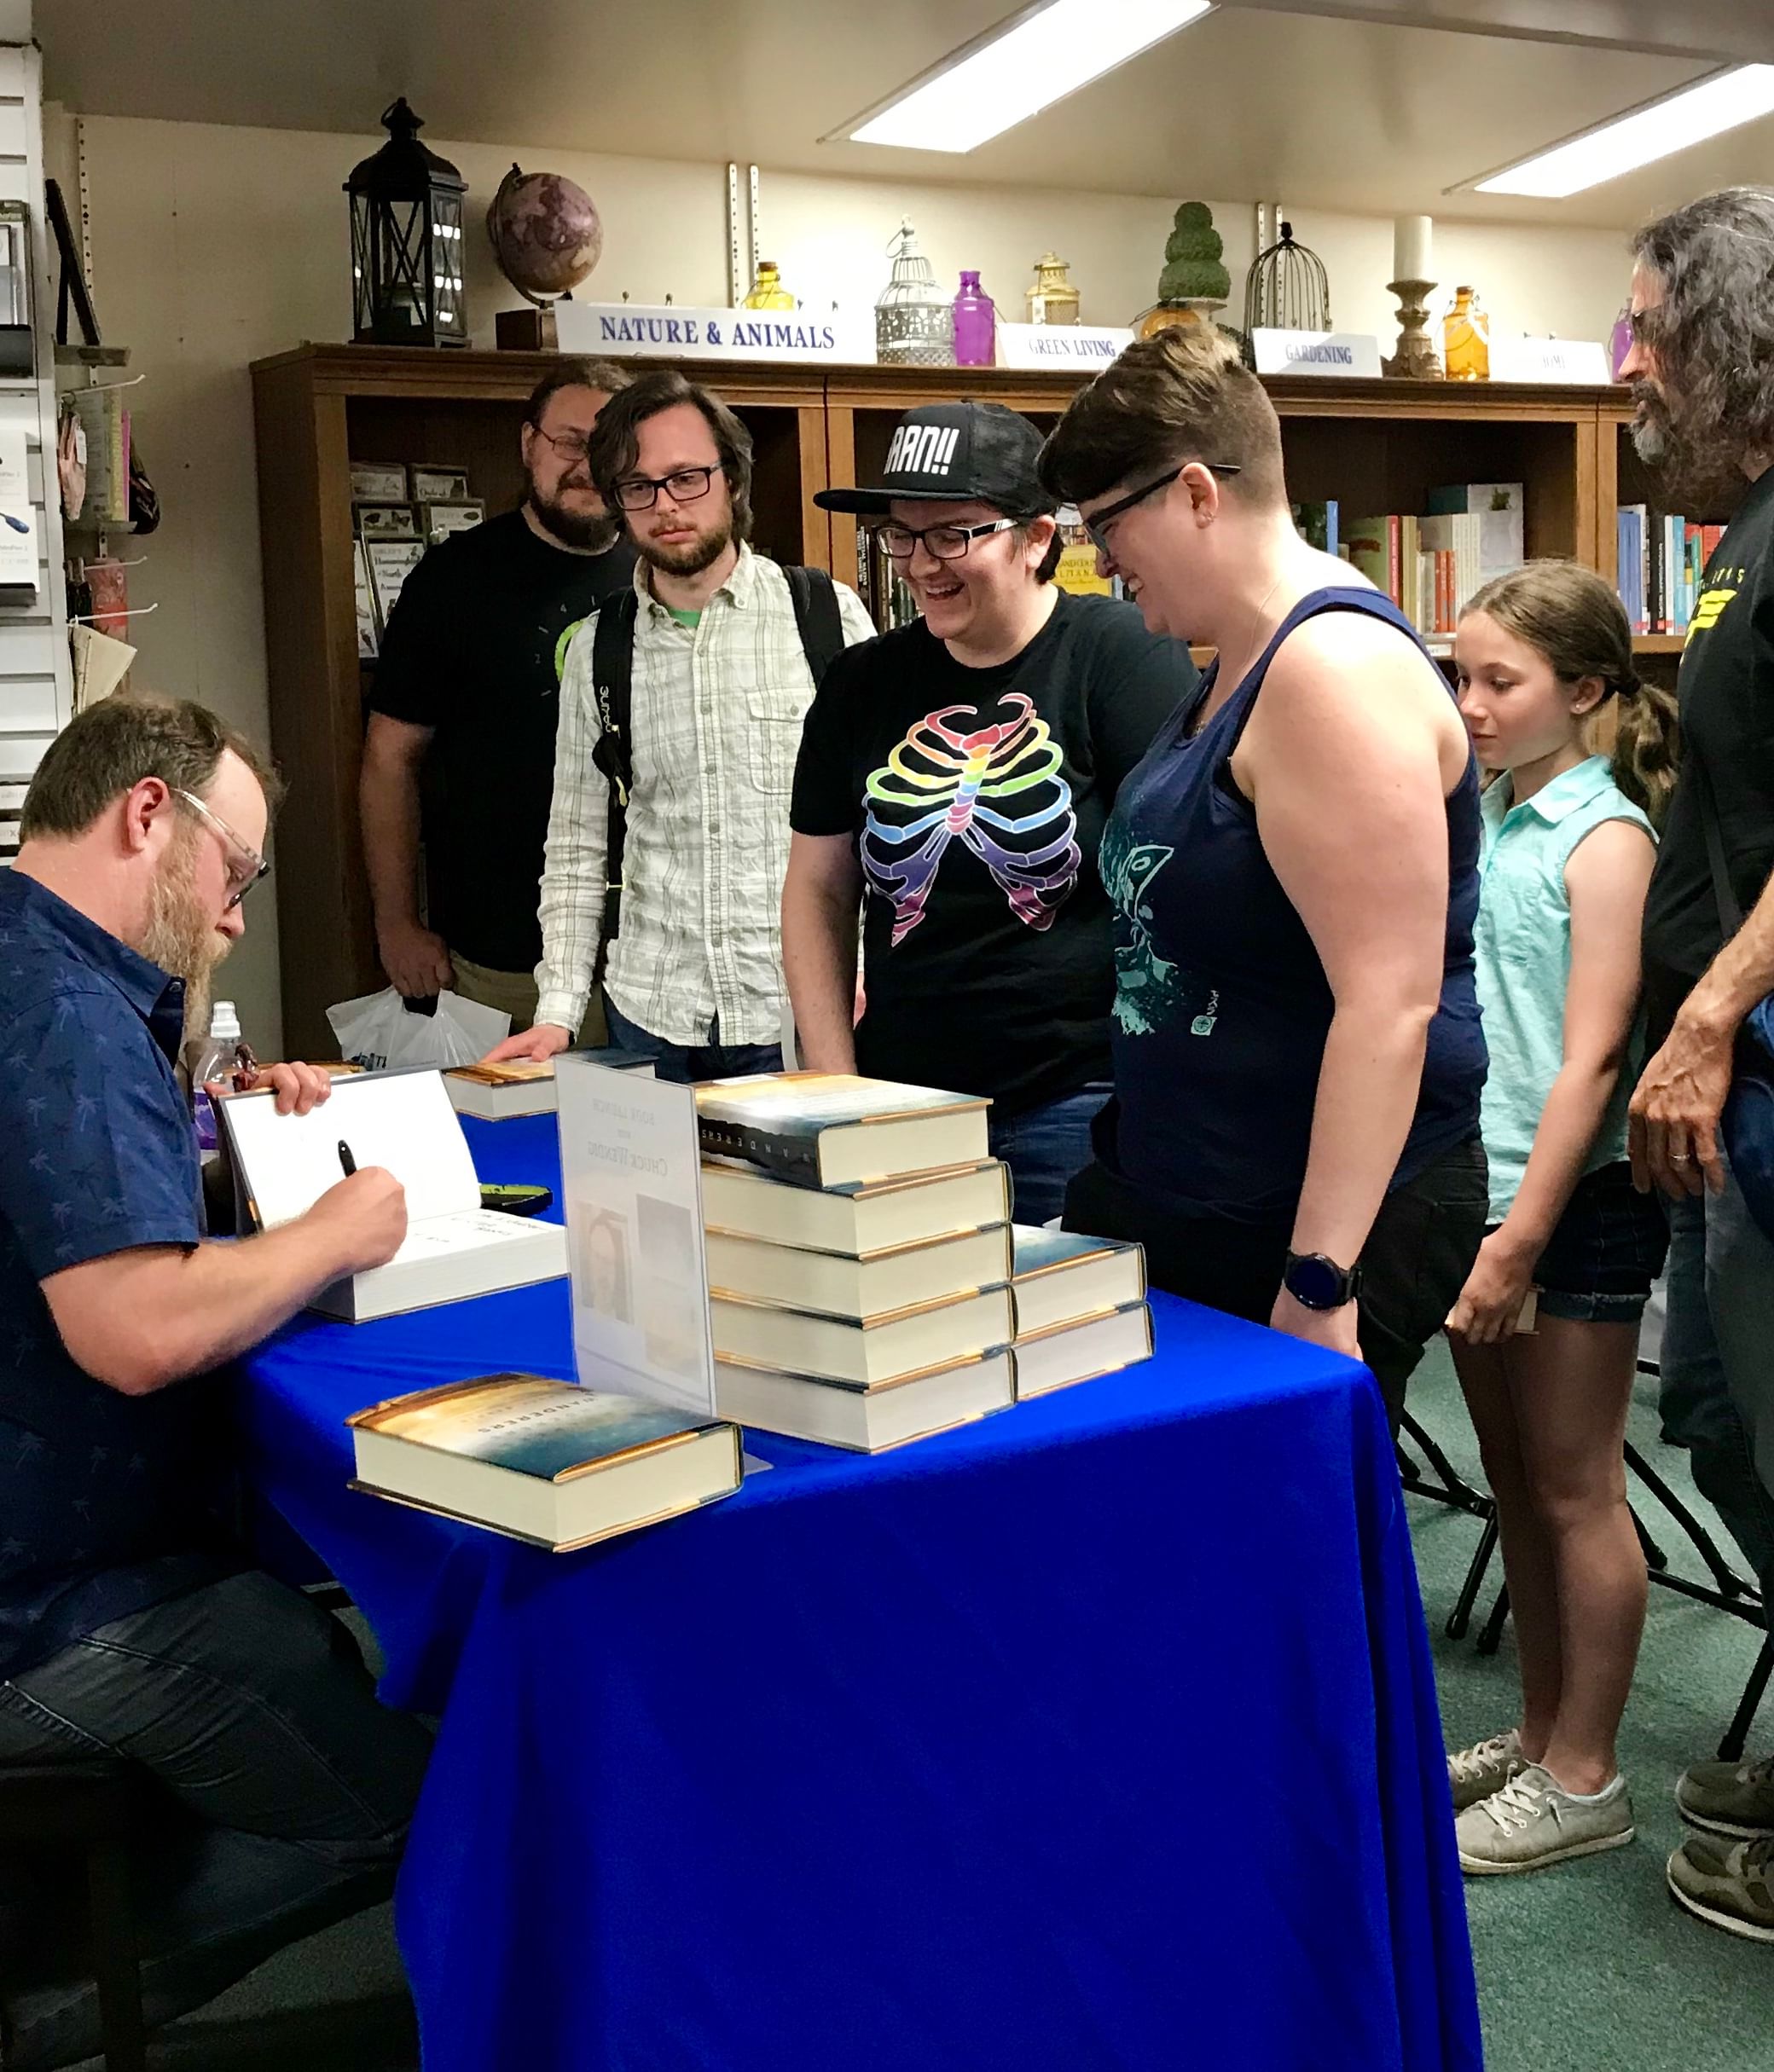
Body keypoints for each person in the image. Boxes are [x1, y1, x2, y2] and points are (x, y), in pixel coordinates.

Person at [0, 697, 429, 2065]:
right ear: (146, 816)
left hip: (58, 1543)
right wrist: (329, 1233)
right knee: (437, 1802)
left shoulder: (31, 962)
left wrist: (233, 1137)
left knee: (304, 1644)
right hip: (49, 1607)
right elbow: (128, 1327)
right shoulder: (61, 1007)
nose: (236, 917)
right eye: (234, 874)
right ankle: (56, 1997)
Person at [1037, 326, 1487, 1425]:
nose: (1098, 561)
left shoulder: (1329, 669)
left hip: (1315, 1223)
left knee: (1269, 1552)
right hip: (1210, 1194)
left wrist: (1320, 1280)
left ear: (1195, 492)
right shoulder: (1232, 663)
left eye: (1105, 526)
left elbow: (1389, 1002)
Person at [782, 402, 1195, 1223]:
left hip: (1078, 1098)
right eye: (900, 534)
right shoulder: (861, 682)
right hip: (904, 1100)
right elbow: (817, 889)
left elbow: (1174, 880)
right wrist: (836, 1083)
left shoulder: (1120, 656)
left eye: (953, 534)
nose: (919, 563)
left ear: (1039, 536)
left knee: (1070, 1339)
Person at [1437, 563, 1675, 1874]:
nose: (1468, 704)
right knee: (1516, 1483)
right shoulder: (1488, 816)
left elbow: (1590, 1061)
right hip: (1476, 1192)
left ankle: (1589, 1775)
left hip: (1563, 1205)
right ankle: (1537, 1737)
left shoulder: (1608, 838)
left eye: (1499, 681)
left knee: (1580, 1483)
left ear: (1583, 691)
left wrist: (1523, 1235)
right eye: (1458, 676)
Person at [1615, 187, 1774, 1941]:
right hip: (1722, 1078)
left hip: (1752, 1059)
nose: (1630, 369)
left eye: (1647, 331)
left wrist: (1711, 1009)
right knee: (1720, 1420)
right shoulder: (1736, 539)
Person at [486, 369, 873, 1084]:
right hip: (653, 1013)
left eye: (687, 477)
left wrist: (864, 964)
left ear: (732, 478)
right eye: (639, 487)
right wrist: (559, 1009)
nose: (666, 506)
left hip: (799, 1008)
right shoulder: (598, 649)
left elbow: (884, 822)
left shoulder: (825, 616)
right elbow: (574, 845)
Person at [361, 358, 636, 1033]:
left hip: (654, 963)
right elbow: (389, 760)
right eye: (570, 441)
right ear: (527, 444)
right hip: (501, 963)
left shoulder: (667, 572)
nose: (587, 465)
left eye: (609, 447)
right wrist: (396, 922)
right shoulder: (453, 582)